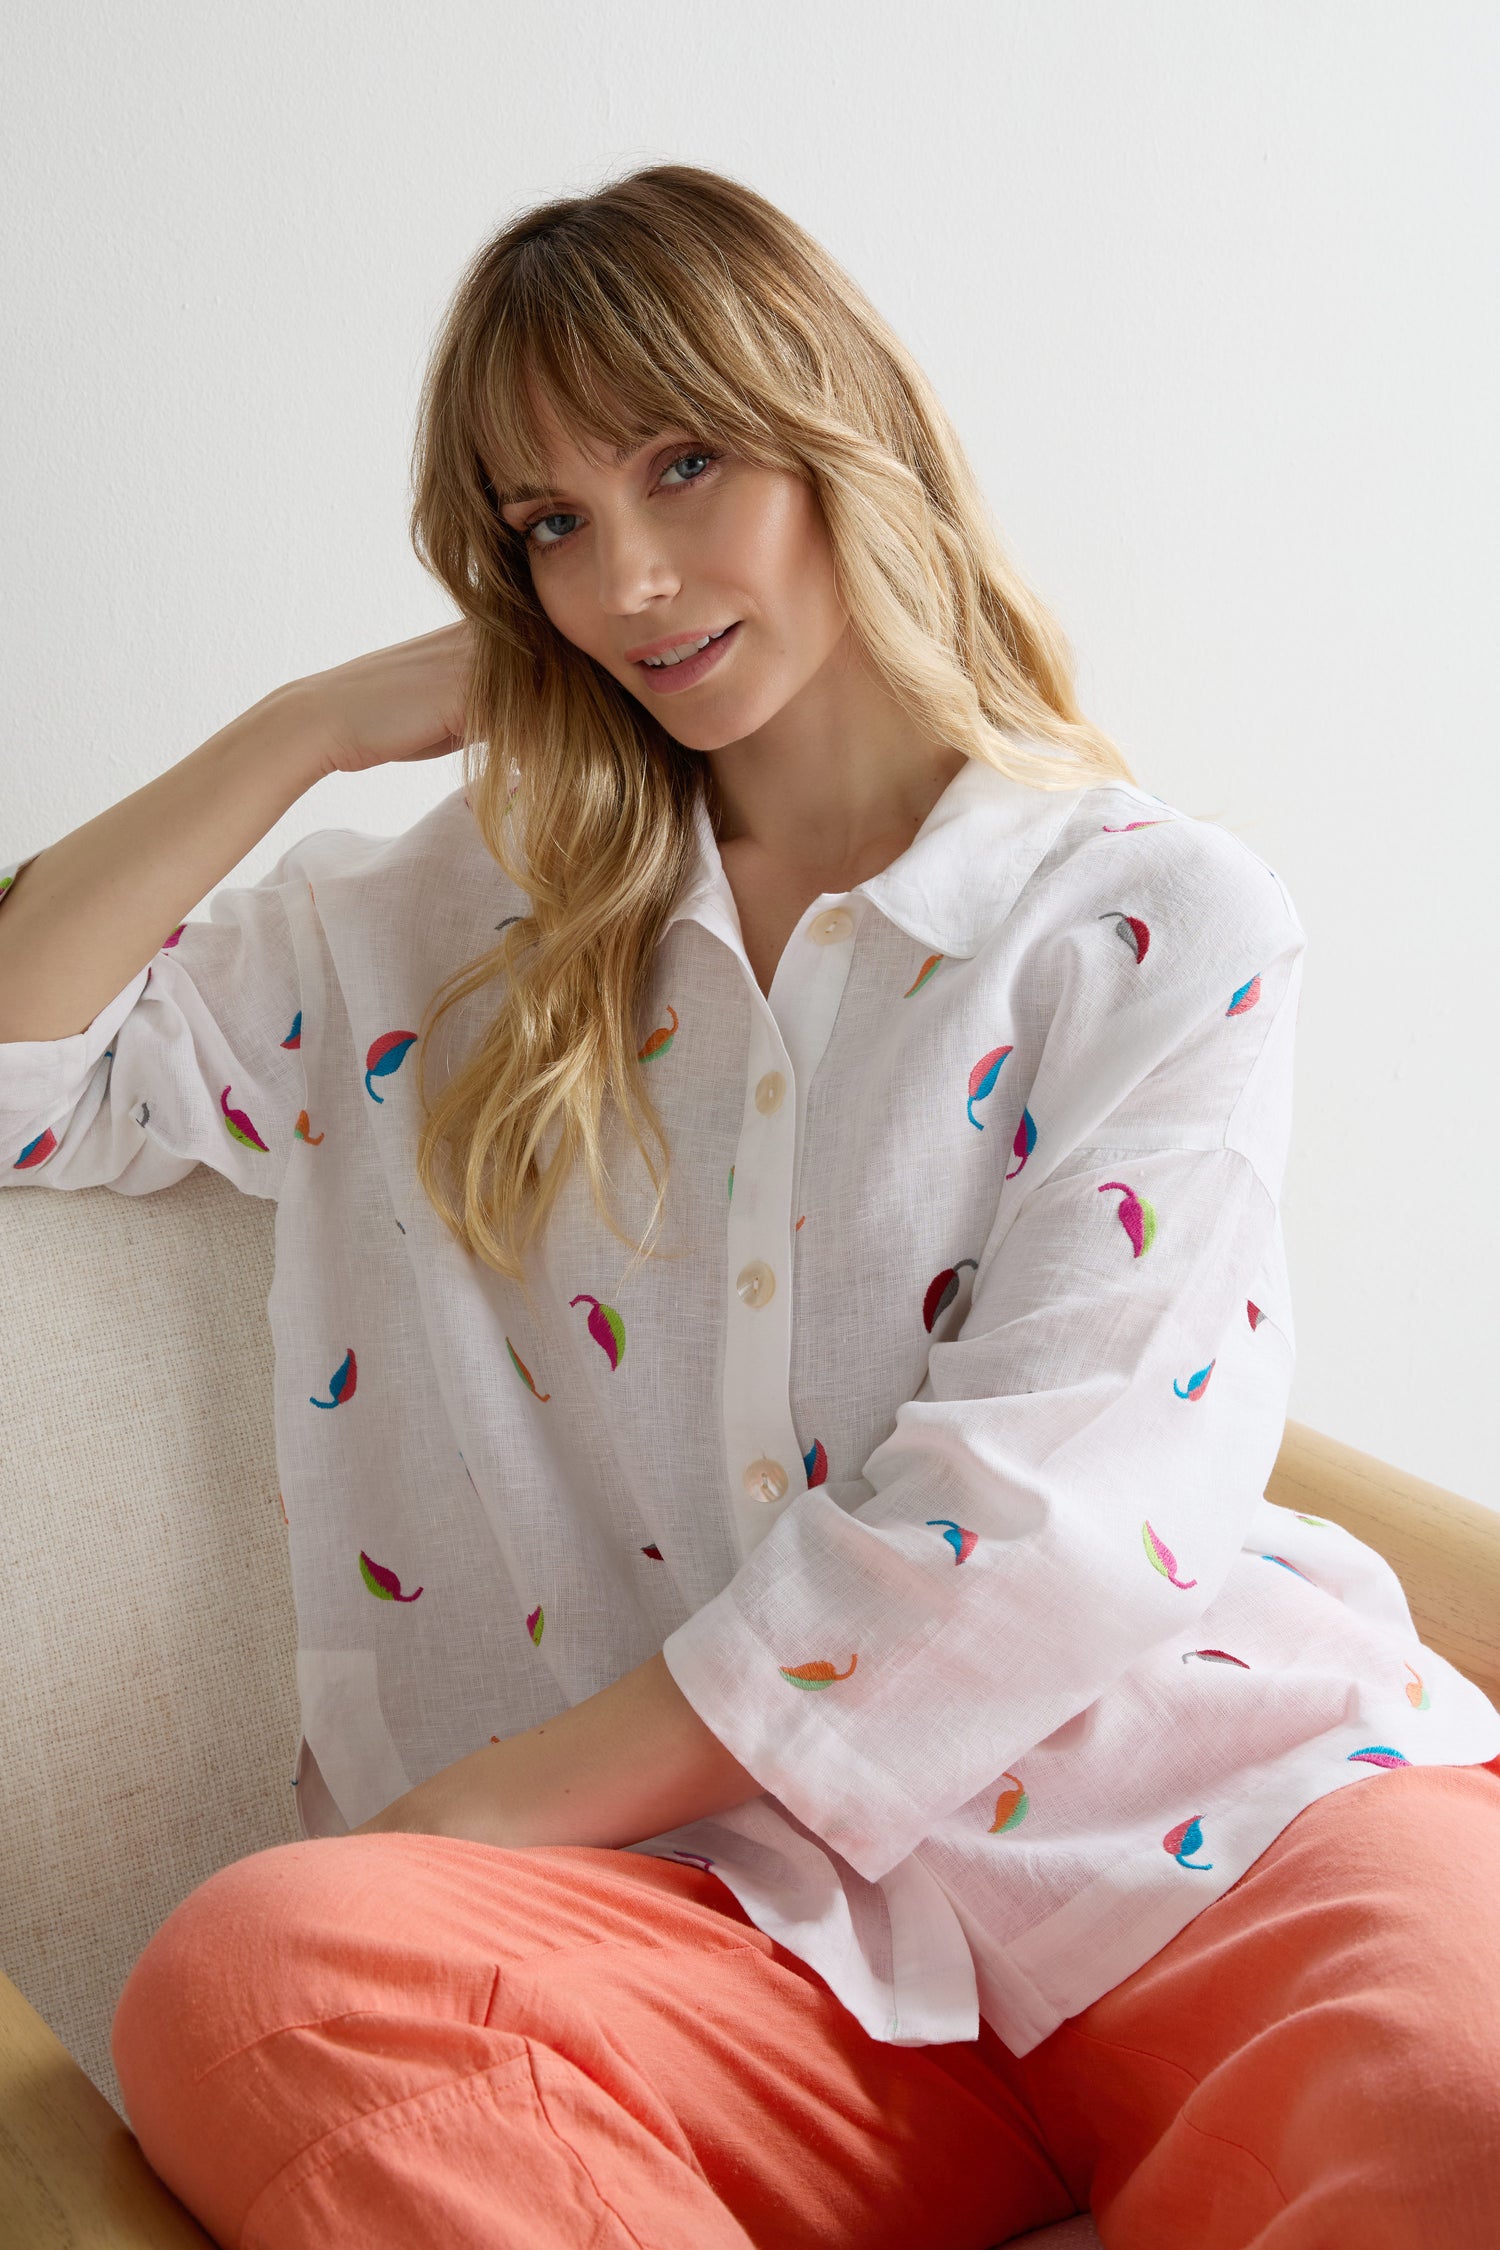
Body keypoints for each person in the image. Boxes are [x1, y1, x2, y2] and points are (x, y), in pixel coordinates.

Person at [2, 161, 1496, 2250]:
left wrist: (489, 1806)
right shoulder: (444, 934)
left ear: (835, 435)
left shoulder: (1147, 918)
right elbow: (28, 1074)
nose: (626, 578)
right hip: (743, 1929)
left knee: (1469, 2085)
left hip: (1215, 1826)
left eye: (682, 465)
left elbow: (1054, 1512)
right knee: (260, 1980)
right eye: (549, 523)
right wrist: (308, 727)